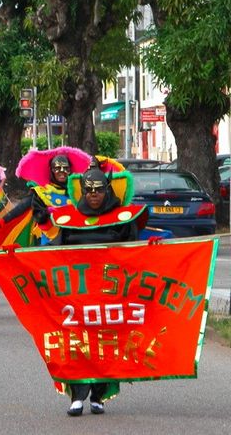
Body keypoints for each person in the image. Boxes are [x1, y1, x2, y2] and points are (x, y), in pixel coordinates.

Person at [50, 161, 146, 416]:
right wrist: (17, 256)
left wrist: (154, 249)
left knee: (105, 343)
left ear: (108, 190)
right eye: (89, 190)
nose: (93, 195)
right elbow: (52, 256)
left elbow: (135, 254)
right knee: (78, 343)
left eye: (98, 190)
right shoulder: (68, 219)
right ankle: (77, 396)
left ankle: (98, 396)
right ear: (82, 190)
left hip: (111, 294)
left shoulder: (124, 219)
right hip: (77, 294)